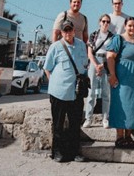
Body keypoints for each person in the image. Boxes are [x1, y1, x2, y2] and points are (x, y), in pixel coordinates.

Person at [44, 20, 88, 163]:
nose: (68, 33)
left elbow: (84, 65)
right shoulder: (55, 47)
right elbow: (47, 68)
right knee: (58, 124)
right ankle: (56, 152)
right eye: (65, 30)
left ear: (74, 30)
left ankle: (74, 152)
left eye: (70, 30)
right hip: (59, 92)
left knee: (75, 124)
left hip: (76, 91)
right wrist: (55, 84)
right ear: (61, 32)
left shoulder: (81, 45)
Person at [106, 16, 134, 148]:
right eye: (130, 25)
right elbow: (110, 57)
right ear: (125, 26)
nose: (132, 28)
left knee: (133, 105)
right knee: (121, 104)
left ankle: (128, 135)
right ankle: (119, 136)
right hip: (122, 77)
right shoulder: (118, 39)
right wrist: (112, 75)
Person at [83, 14, 114, 129]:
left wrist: (104, 64)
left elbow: (112, 52)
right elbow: (90, 52)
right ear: (99, 22)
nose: (105, 24)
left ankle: (105, 118)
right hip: (94, 60)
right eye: (104, 21)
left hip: (107, 61)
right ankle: (88, 118)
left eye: (108, 22)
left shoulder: (112, 36)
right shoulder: (94, 35)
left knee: (106, 92)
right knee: (91, 92)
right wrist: (96, 65)